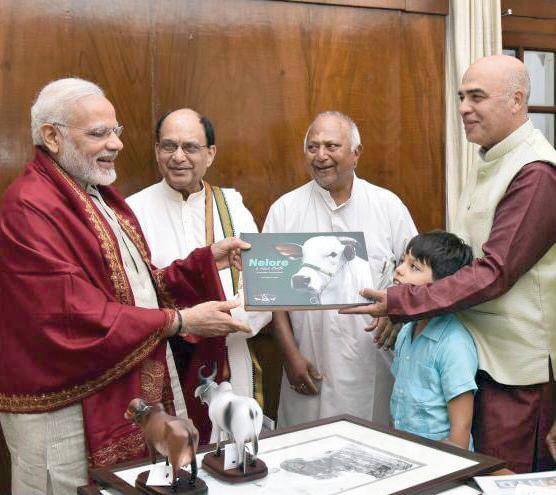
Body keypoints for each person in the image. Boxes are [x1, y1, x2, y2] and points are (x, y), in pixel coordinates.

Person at [0, 78, 250, 495]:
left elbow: (138, 288)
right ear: (52, 137)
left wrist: (205, 261)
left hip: (103, 392)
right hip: (61, 409)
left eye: (116, 131)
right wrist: (181, 320)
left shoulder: (98, 197)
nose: (115, 144)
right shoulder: (31, 204)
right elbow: (69, 316)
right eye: (98, 133)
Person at [342, 55, 556, 472]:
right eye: (461, 97)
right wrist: (406, 307)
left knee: (499, 479)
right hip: (476, 356)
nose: (463, 107)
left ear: (516, 100)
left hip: (512, 373)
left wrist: (404, 301)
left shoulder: (535, 172)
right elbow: (461, 259)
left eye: (476, 97)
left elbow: (494, 271)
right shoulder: (491, 158)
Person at [263, 111, 417, 428]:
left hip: (372, 362)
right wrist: (290, 355)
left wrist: (397, 310)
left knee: (374, 455)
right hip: (309, 361)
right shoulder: (285, 210)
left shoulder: (387, 205)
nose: (321, 156)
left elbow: (416, 271)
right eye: (312, 147)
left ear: (356, 153)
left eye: (332, 146)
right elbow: (270, 294)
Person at [127, 108, 271, 442]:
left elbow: (262, 281)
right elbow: (130, 295)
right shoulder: (133, 210)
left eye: (190, 147)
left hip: (229, 353)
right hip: (164, 361)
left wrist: (229, 321)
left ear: (210, 154)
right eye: (168, 146)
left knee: (231, 451)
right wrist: (188, 323)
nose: (178, 157)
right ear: (156, 150)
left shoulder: (231, 205)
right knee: (174, 459)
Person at [390, 231, 477, 449]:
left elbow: (460, 438)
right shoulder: (406, 331)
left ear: (443, 286)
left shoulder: (454, 344)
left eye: (414, 267)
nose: (399, 270)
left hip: (442, 461)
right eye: (402, 261)